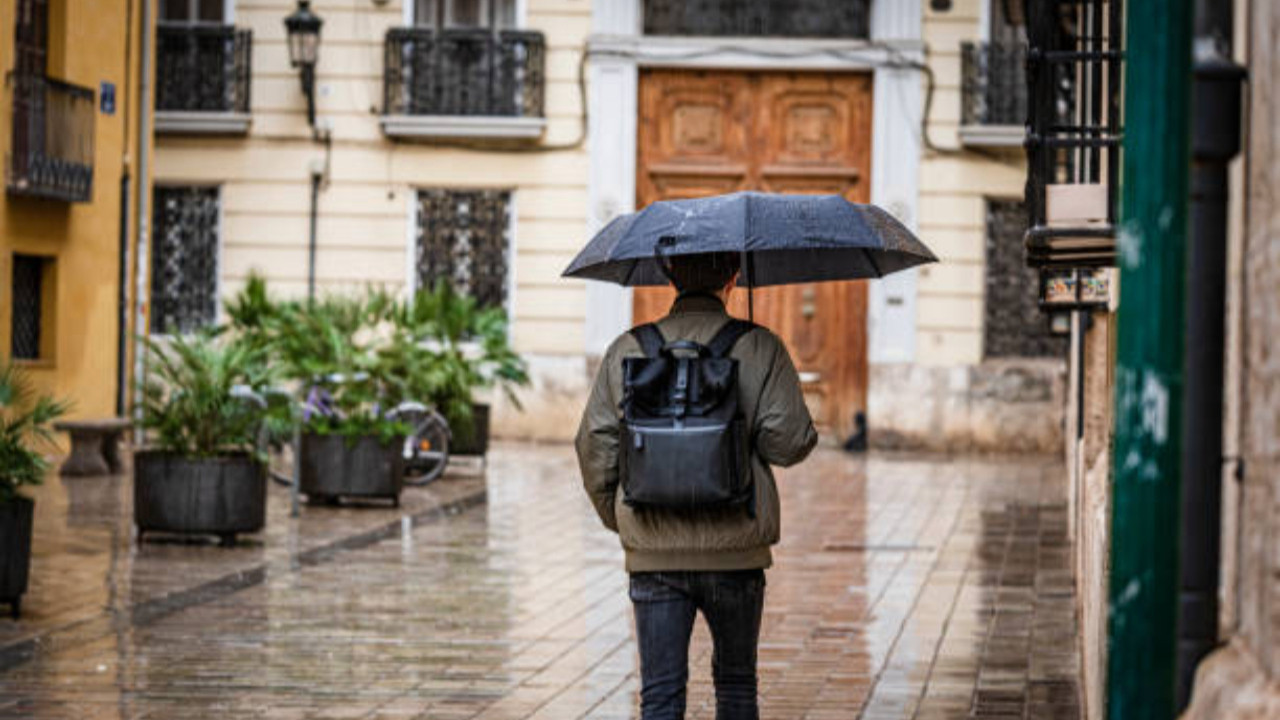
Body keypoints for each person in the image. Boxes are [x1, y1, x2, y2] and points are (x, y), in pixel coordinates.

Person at [575, 251, 818, 720]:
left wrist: (624, 518)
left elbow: (594, 444)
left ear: (668, 274)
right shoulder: (760, 346)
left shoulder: (628, 347)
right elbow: (787, 445)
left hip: (654, 552)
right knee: (736, 685)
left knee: (660, 696)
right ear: (734, 276)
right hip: (737, 551)